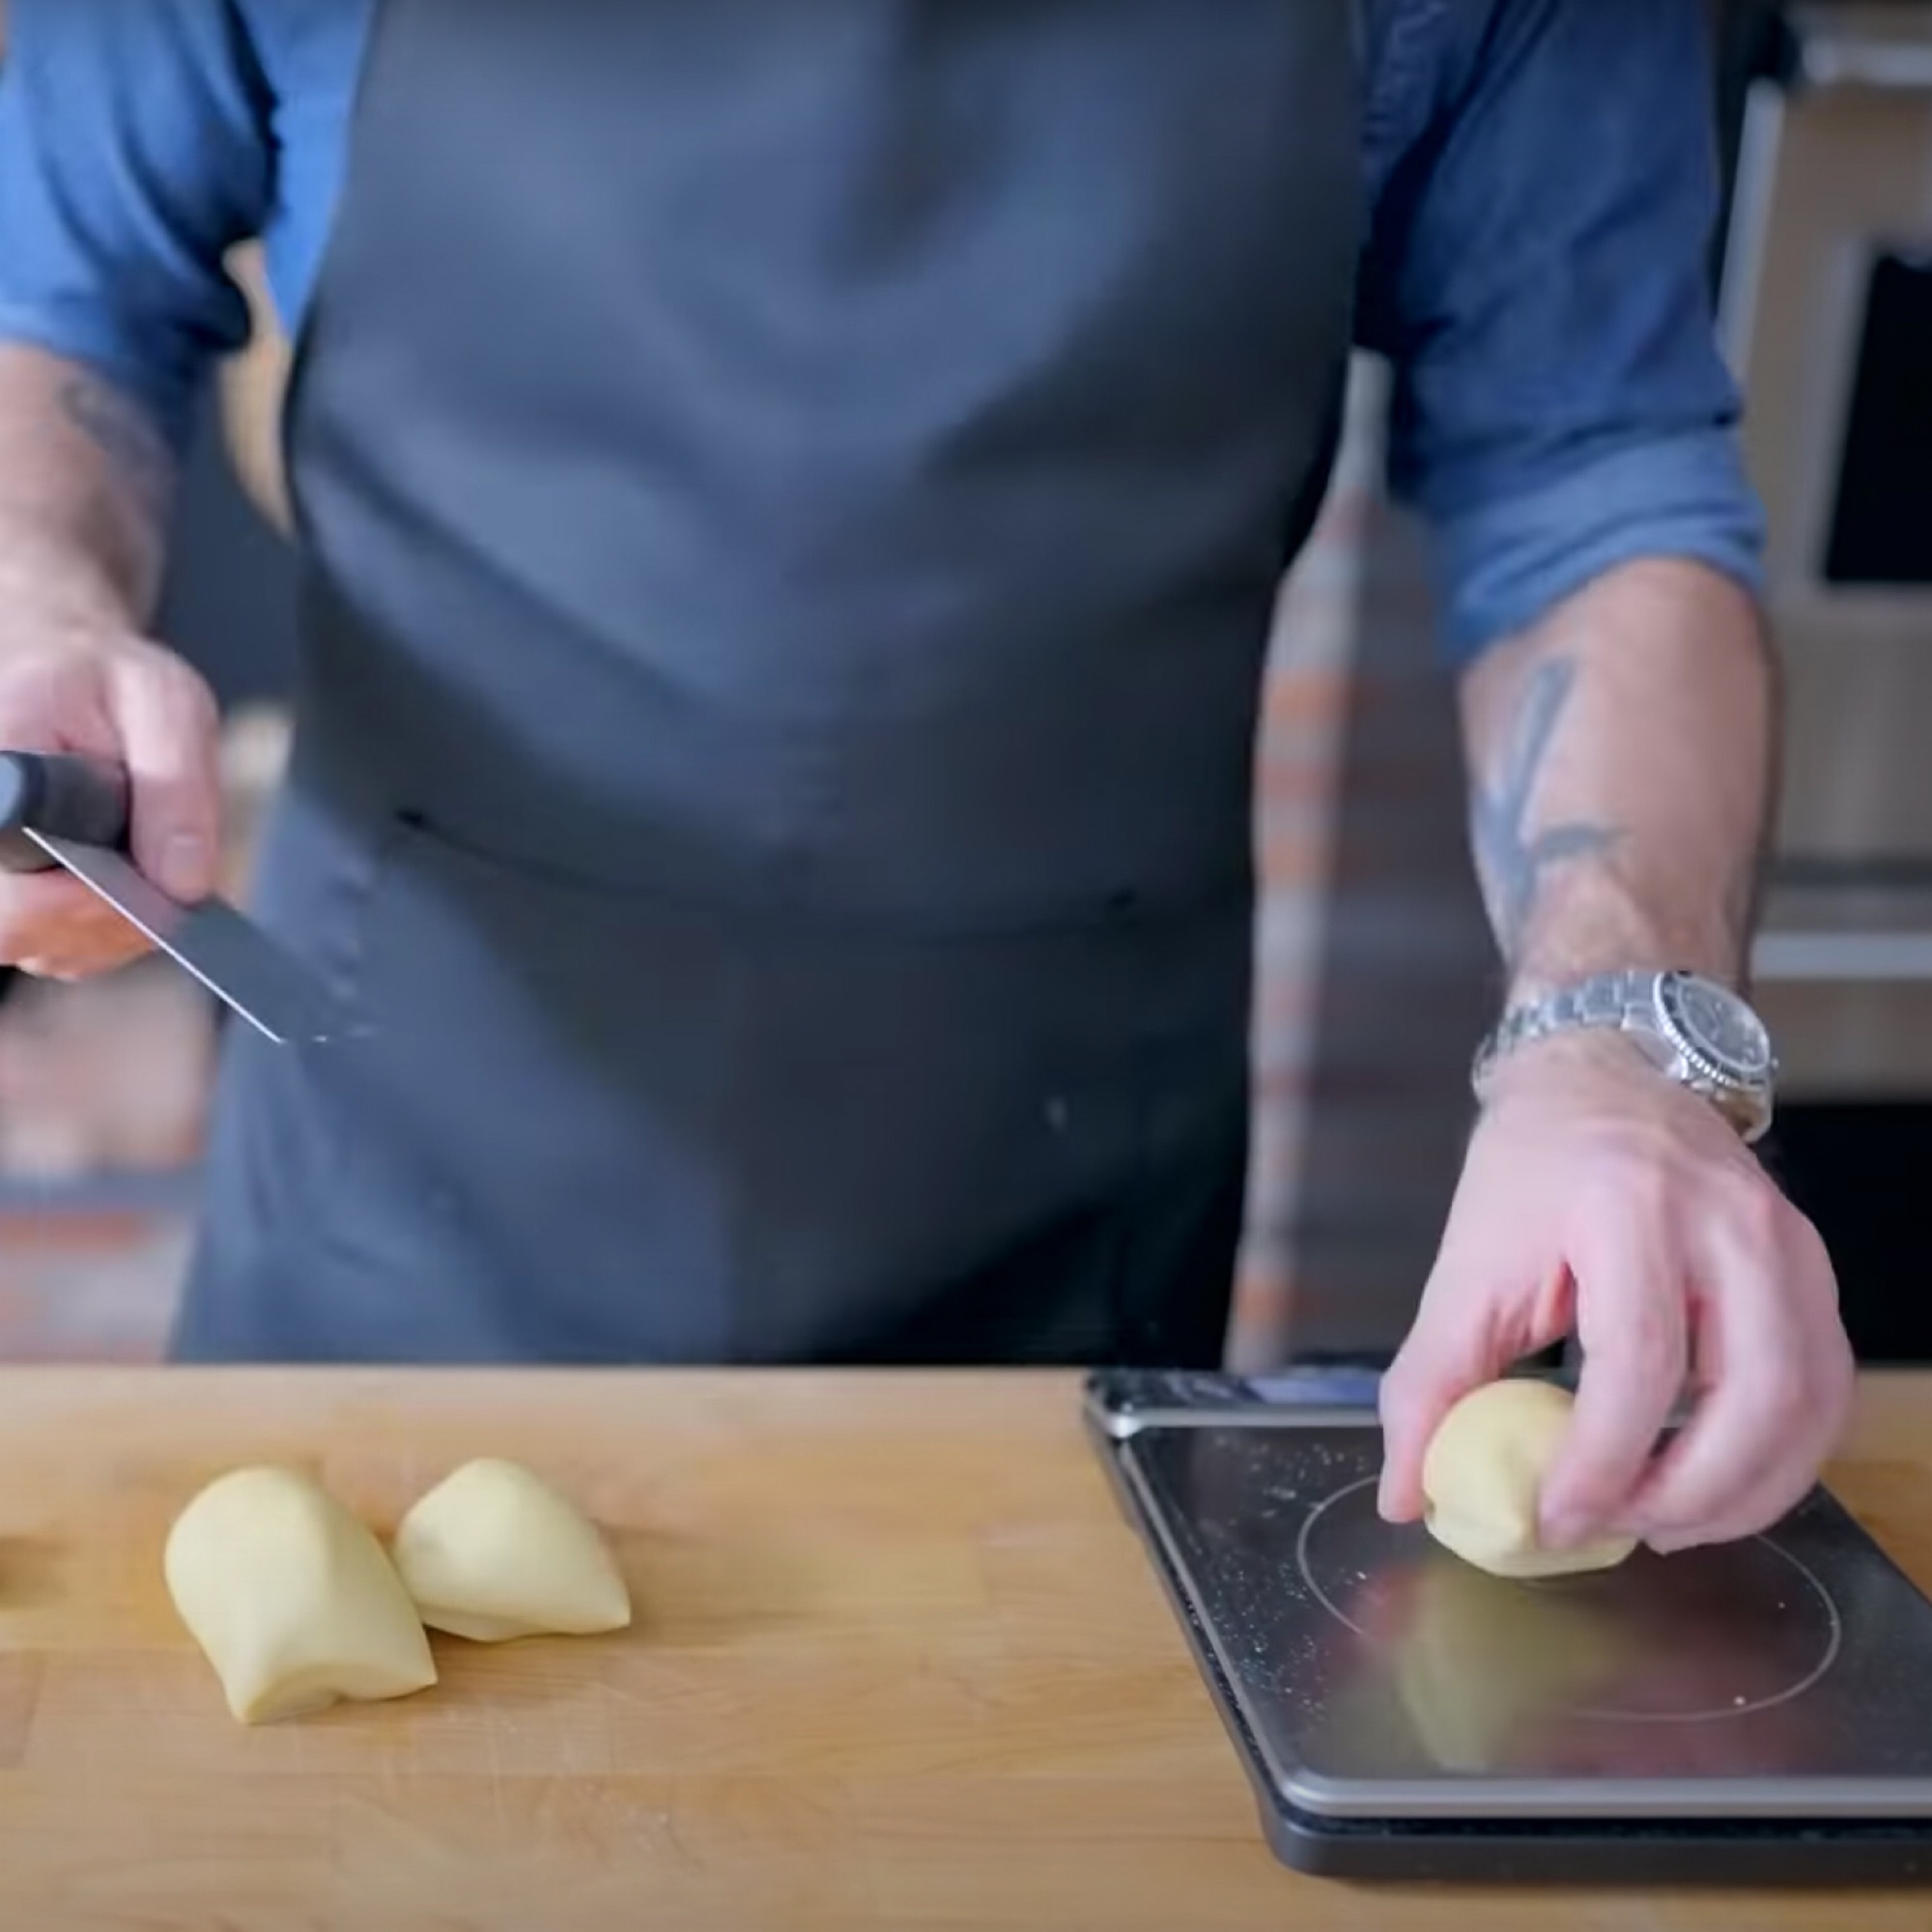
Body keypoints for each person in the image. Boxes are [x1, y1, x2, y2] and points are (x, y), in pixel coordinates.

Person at [0, 0, 1854, 1559]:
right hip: (401, 1135)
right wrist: (37, 590)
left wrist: (1618, 1042)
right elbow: (57, 294)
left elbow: (1589, 467)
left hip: (1055, 1203)